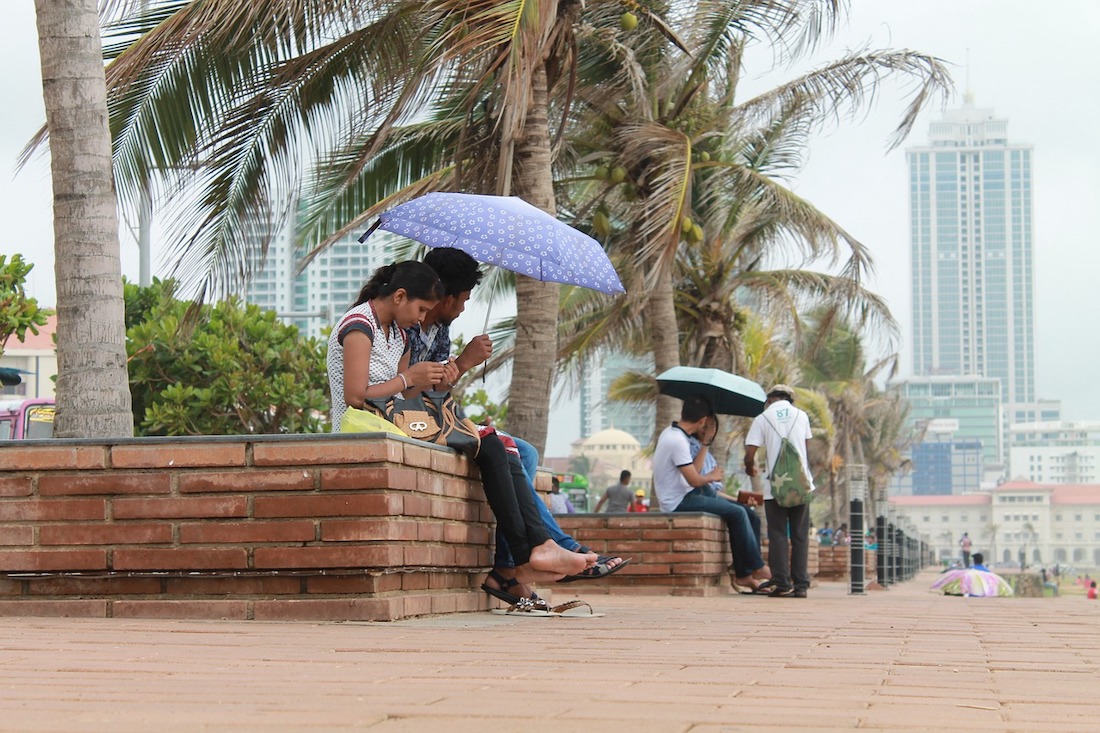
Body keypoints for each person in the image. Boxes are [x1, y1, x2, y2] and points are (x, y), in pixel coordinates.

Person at [328, 260, 591, 589]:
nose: (421, 318)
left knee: (497, 446)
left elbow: (405, 396)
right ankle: (530, 554)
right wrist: (409, 377)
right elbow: (356, 396)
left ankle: (532, 552)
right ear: (399, 296)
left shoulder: (398, 334)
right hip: (363, 428)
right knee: (492, 446)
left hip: (397, 423)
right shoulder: (359, 326)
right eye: (421, 309)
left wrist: (429, 380)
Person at [406, 247, 627, 602]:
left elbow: (436, 389)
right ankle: (538, 555)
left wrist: (457, 369)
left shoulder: (439, 331)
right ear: (445, 297)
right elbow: (406, 392)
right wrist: (464, 363)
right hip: (417, 424)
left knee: (524, 451)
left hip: (437, 418)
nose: (462, 309)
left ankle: (510, 568)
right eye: (463, 300)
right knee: (506, 449)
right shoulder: (406, 328)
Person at [653, 394, 769, 593]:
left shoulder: (674, 434)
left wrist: (705, 444)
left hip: (691, 492)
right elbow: (694, 480)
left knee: (748, 513)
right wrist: (712, 476)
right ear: (702, 421)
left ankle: (744, 573)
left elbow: (695, 473)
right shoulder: (677, 441)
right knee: (737, 513)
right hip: (679, 501)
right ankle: (755, 568)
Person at [745, 384, 814, 599]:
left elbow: (750, 453)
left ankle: (782, 584)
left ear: (769, 400)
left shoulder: (762, 418)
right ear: (790, 399)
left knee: (778, 534)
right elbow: (805, 449)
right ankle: (801, 586)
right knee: (800, 535)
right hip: (801, 484)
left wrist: (750, 468)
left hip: (773, 487)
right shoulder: (801, 416)